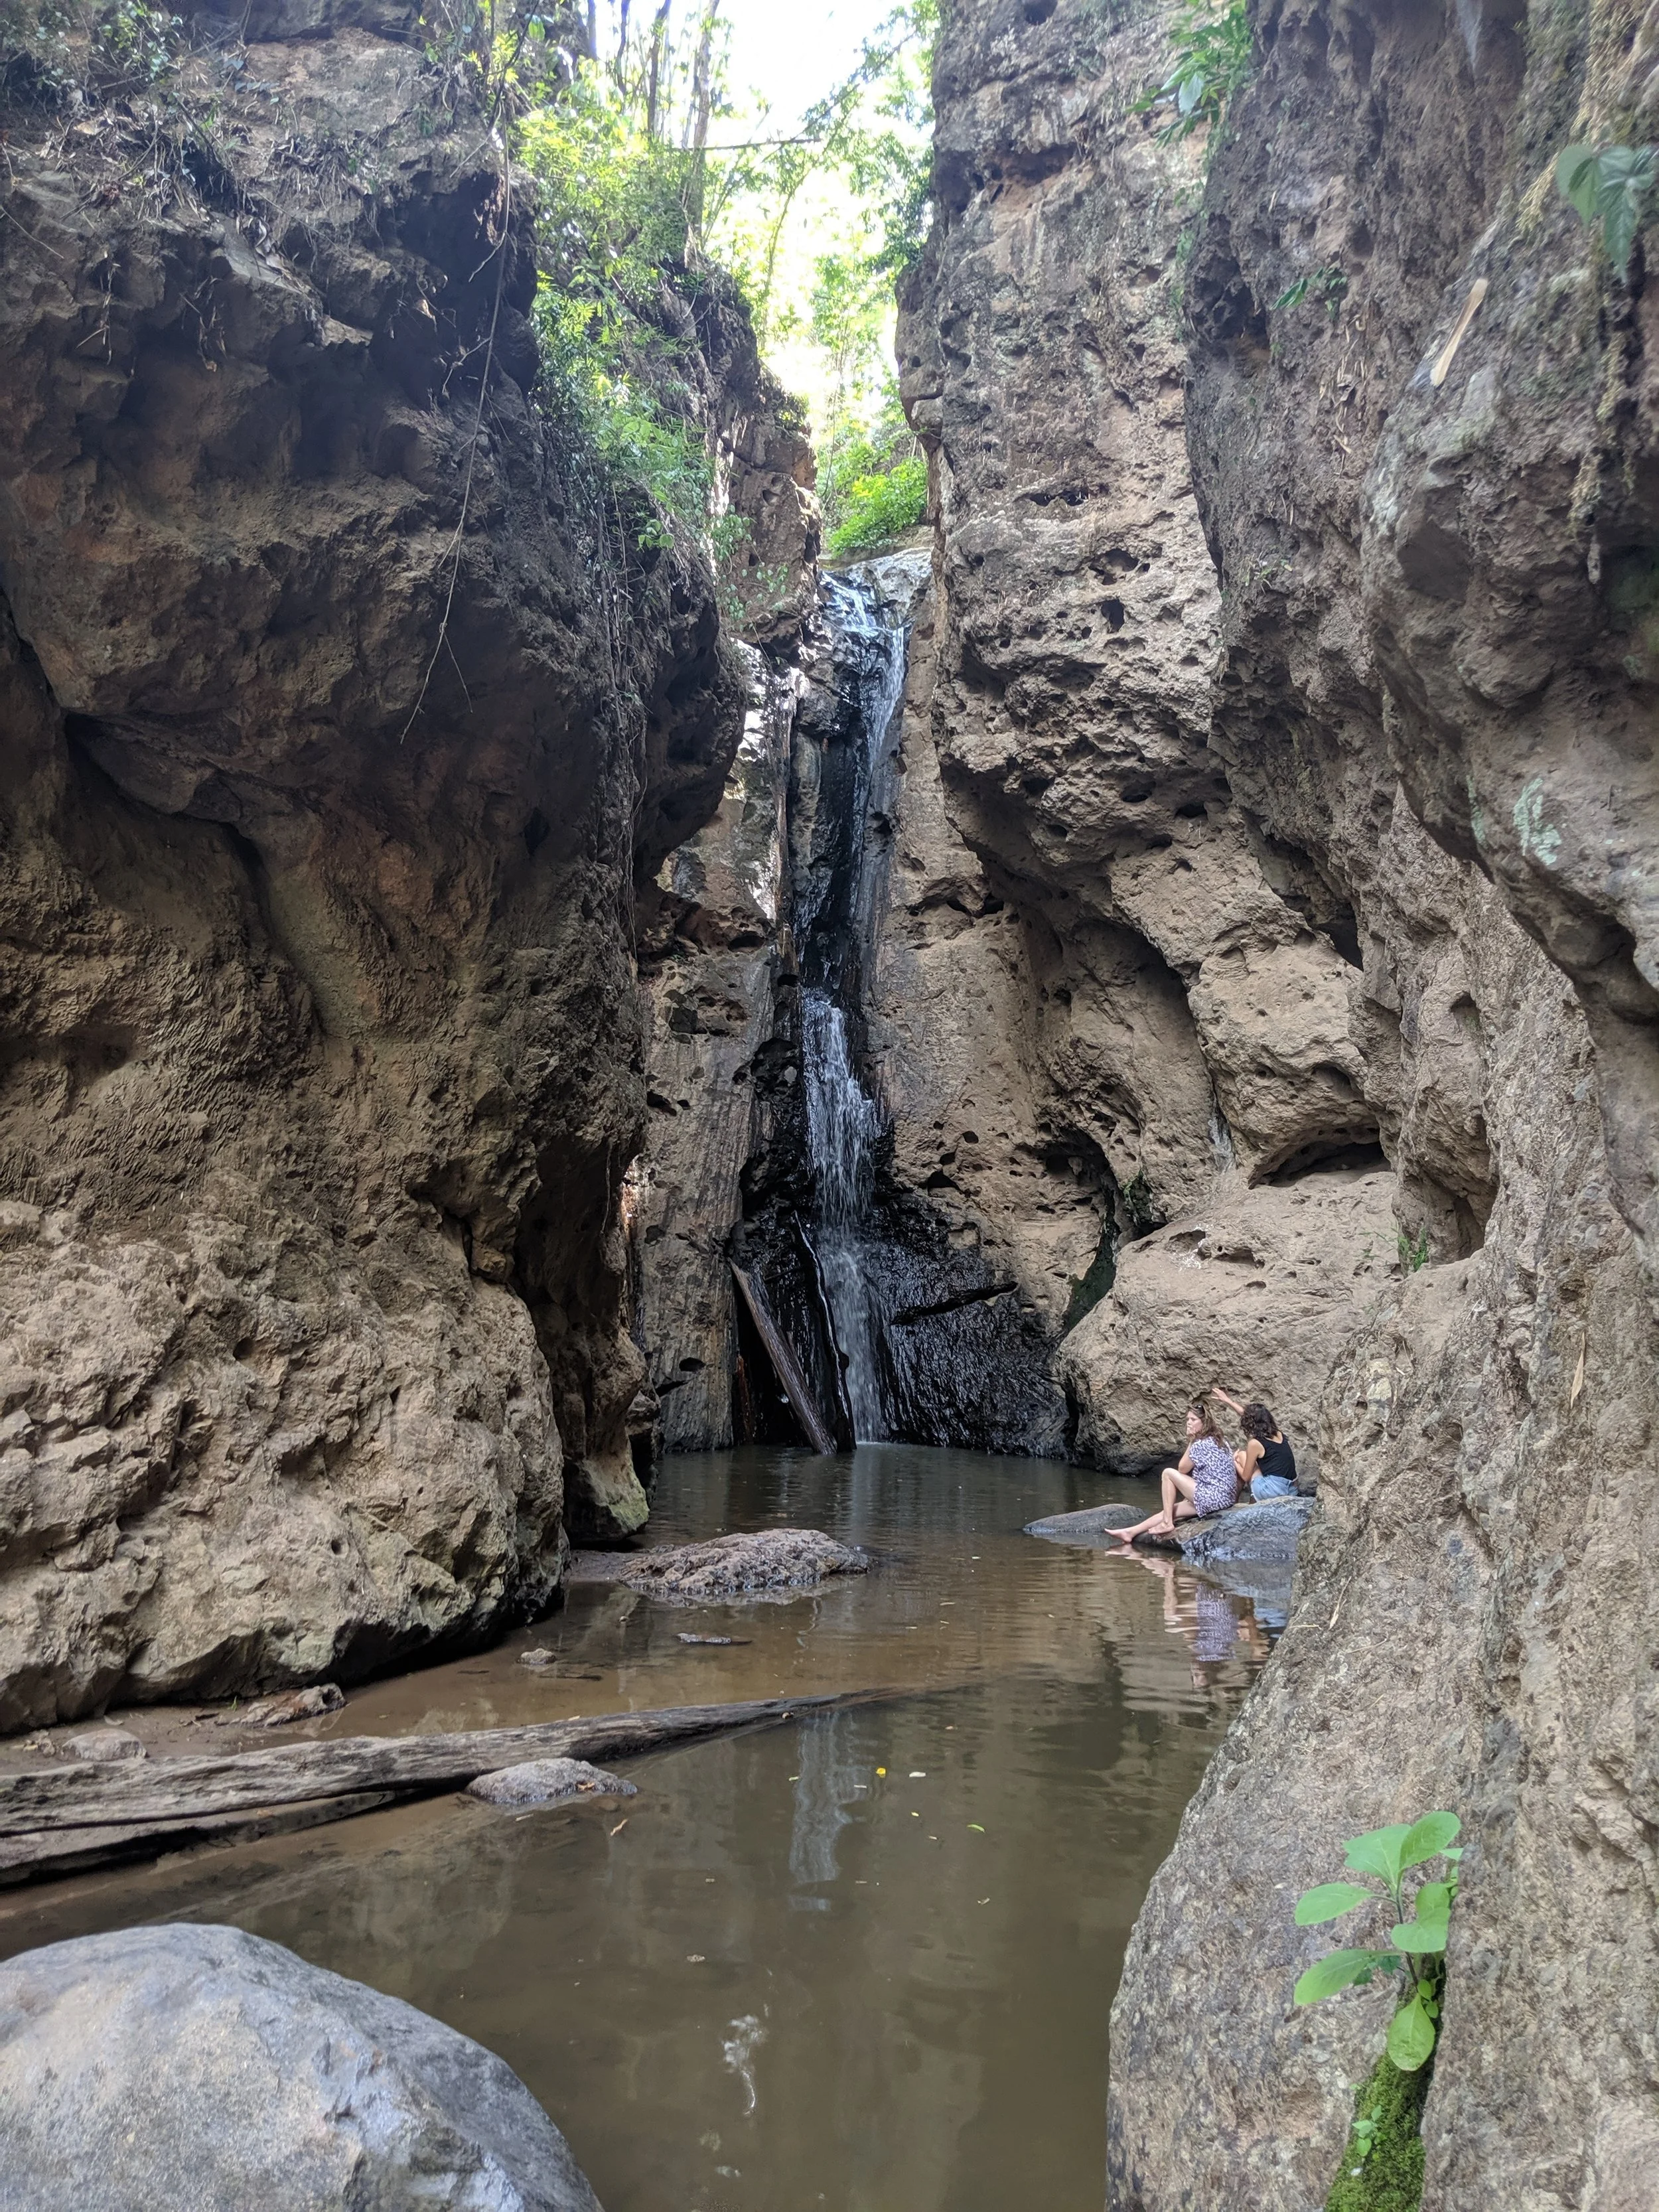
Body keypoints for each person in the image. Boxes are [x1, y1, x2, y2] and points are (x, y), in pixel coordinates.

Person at [1108, 1402, 1240, 1543]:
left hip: (1213, 1498)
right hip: (1225, 1499)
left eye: (1193, 1420)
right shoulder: (1221, 1441)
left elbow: (1182, 1469)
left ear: (1204, 1423)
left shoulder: (1201, 1443)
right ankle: (1131, 1532)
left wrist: (1192, 1441)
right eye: (1188, 1419)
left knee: (1168, 1473)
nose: (1189, 1423)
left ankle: (1166, 1523)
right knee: (1172, 1510)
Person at [1212, 1385, 1298, 1500]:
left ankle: (1241, 1498)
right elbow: (1251, 1417)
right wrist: (1228, 1401)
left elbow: (1246, 1476)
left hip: (1274, 1492)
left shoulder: (1255, 1443)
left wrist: (1233, 1461)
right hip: (1292, 1490)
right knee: (1256, 1463)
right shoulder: (1279, 1434)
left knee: (1242, 1456)